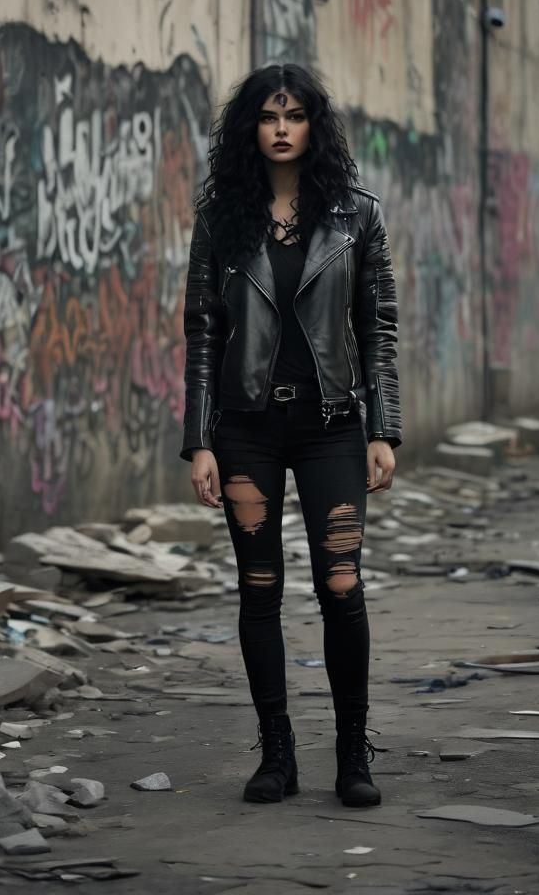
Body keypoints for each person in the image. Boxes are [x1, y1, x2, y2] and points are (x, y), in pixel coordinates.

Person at [180, 64, 401, 807]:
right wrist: (200, 439)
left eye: (295, 115)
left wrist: (384, 429)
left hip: (333, 427)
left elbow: (377, 329)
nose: (281, 128)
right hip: (247, 431)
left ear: (314, 126)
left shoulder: (355, 216)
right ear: (250, 127)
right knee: (259, 587)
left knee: (341, 584)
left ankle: (352, 754)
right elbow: (203, 331)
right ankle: (277, 754)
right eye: (269, 116)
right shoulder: (221, 217)